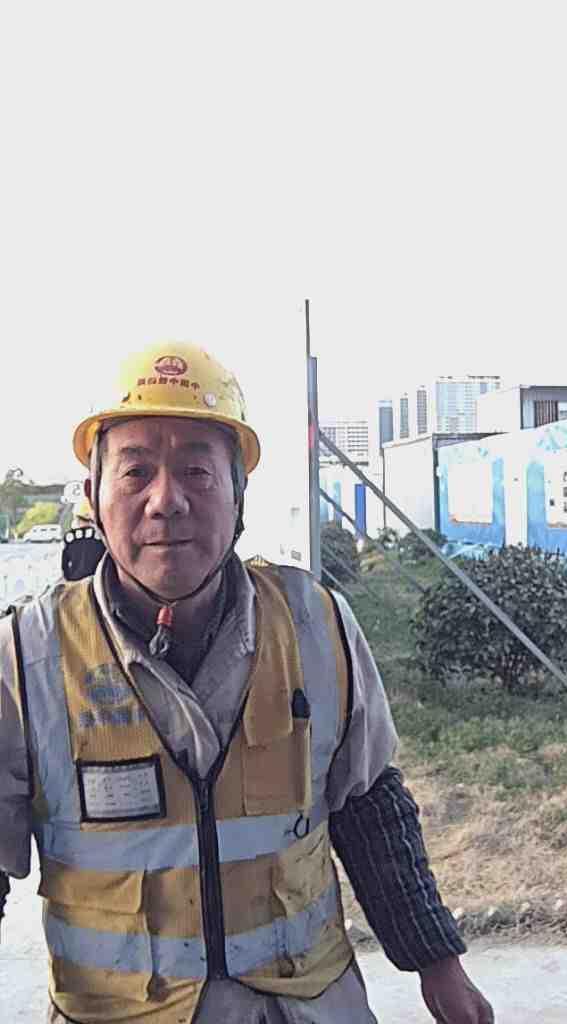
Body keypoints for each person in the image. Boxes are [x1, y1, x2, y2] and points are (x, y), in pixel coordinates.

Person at [0, 341, 495, 1024]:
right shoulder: (26, 657)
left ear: (239, 498)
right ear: (93, 496)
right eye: (136, 471)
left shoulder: (315, 623)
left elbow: (368, 805)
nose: (166, 501)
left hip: (307, 1009)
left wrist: (438, 965)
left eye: (197, 472)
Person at [61, 494, 106, 581]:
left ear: (77, 517)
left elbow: (64, 563)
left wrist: (68, 578)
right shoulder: (101, 536)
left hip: (75, 579)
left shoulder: (69, 537)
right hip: (96, 581)